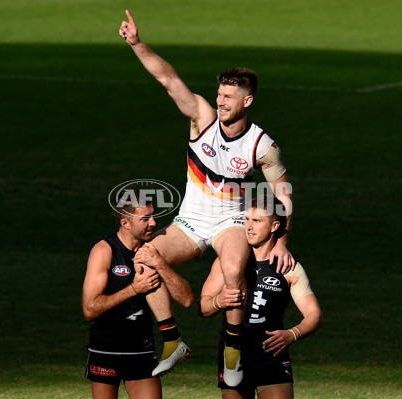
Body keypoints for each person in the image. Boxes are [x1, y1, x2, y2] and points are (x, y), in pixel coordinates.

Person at [119, 10, 295, 384]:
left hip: (231, 220)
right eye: (219, 94)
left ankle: (234, 351)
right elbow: (168, 79)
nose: (221, 101)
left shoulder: (261, 145)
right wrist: (137, 44)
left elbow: (282, 192)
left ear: (247, 101)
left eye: (229, 96)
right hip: (190, 221)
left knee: (233, 271)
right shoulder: (202, 118)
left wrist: (281, 240)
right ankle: (172, 340)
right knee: (143, 258)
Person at [199, 195, 322, 399]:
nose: (249, 227)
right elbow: (203, 307)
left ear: (274, 226)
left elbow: (314, 315)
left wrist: (292, 334)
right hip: (234, 356)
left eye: (257, 221)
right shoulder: (229, 262)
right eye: (246, 220)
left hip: (272, 357)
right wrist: (218, 302)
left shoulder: (288, 268)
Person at [82, 190, 193, 399]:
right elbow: (90, 309)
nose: (153, 223)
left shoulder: (153, 250)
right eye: (145, 218)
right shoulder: (104, 251)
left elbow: (186, 299)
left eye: (153, 216)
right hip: (106, 350)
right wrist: (134, 289)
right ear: (125, 223)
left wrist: (161, 264)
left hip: (141, 350)